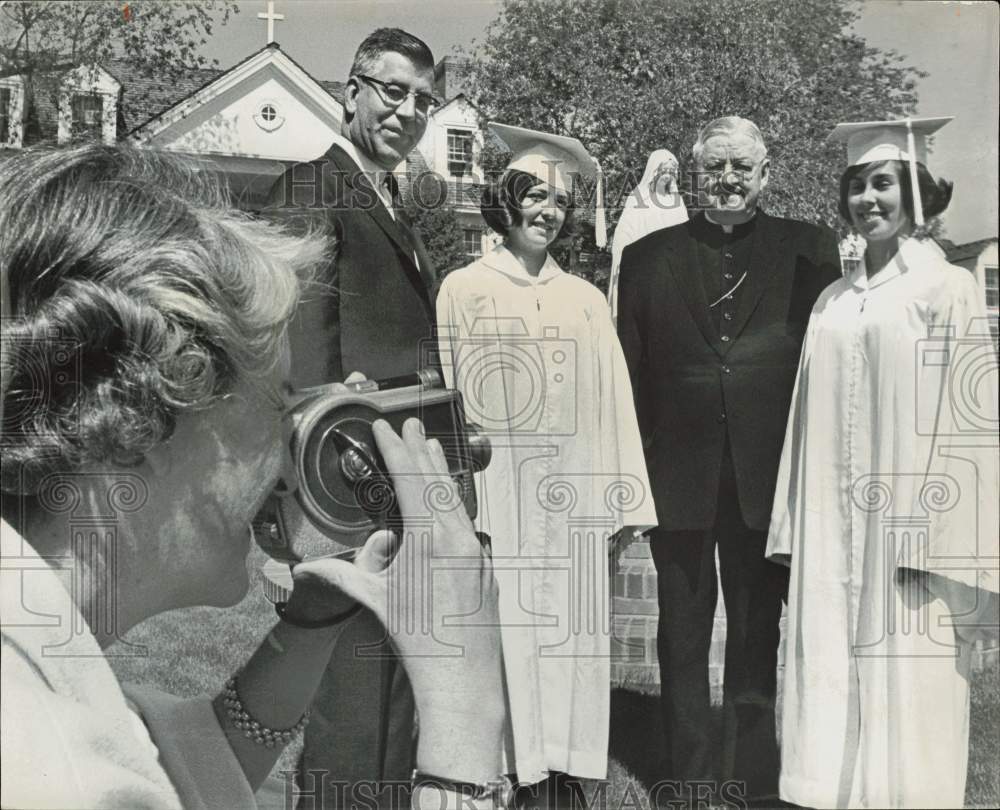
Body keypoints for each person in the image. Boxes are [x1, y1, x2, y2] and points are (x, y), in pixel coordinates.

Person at [0, 142, 508, 810]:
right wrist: (466, 737)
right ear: (128, 425)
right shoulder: (61, 777)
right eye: (280, 402)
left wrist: (308, 629)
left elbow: (169, 764)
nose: (292, 443)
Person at [767, 117, 1000, 809]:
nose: (869, 199)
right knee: (832, 666)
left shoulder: (946, 288)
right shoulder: (833, 301)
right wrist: (796, 528)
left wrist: (948, 541)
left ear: (918, 193)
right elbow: (806, 420)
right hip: (833, 526)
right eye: (858, 185)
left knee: (912, 676)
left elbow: (972, 424)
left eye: (884, 183)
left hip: (909, 532)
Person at [616, 116, 842, 805]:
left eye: (743, 166)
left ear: (766, 174)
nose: (729, 177)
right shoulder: (649, 257)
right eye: (715, 165)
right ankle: (683, 782)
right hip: (677, 478)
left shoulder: (810, 250)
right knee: (680, 637)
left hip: (765, 480)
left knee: (756, 634)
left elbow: (826, 367)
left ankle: (751, 779)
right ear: (695, 174)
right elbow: (630, 372)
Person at [437, 123, 657, 801]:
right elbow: (450, 402)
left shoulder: (585, 301)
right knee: (509, 638)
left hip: (576, 507)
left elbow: (614, 402)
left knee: (571, 640)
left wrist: (625, 506)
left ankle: (564, 781)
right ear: (508, 200)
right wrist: (461, 503)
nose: (547, 212)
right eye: (534, 195)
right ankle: (512, 778)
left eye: (560, 203)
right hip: (502, 496)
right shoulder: (464, 289)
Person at [264, 28, 440, 794]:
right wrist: (321, 500)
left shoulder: (394, 202)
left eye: (423, 100)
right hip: (343, 487)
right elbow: (304, 363)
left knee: (393, 680)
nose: (408, 111)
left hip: (395, 480)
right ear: (352, 92)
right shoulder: (312, 188)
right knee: (349, 687)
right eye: (393, 91)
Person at [607, 149, 688, 323]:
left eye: (672, 172)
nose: (668, 175)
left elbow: (686, 236)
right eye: (664, 170)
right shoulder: (639, 199)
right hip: (645, 270)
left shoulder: (677, 202)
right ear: (654, 171)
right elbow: (624, 234)